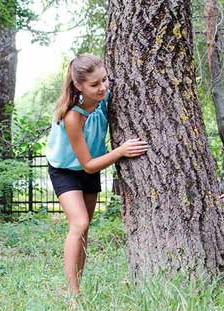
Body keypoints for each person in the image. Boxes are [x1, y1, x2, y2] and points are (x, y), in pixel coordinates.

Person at [46, 53, 148, 295]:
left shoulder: (103, 99)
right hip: (66, 171)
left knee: (85, 228)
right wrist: (121, 151)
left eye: (104, 80)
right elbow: (89, 164)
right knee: (78, 223)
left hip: (89, 168)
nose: (102, 87)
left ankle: (78, 285)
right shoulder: (73, 116)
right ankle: (73, 295)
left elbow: (90, 166)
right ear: (78, 85)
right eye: (94, 84)